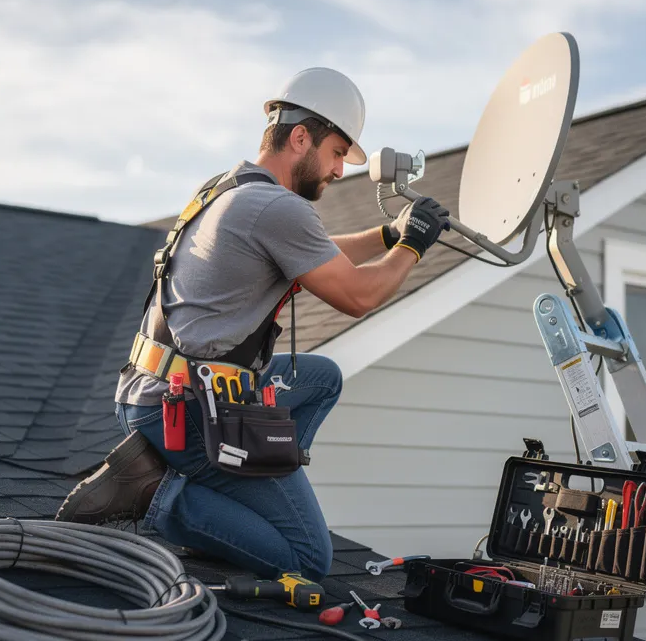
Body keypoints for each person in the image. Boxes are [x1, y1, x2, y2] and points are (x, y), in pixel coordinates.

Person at [54, 67, 450, 582]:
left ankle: (248, 484)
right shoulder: (276, 208)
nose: (337, 172)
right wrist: (413, 247)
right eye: (335, 154)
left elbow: (318, 255)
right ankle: (156, 495)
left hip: (154, 392)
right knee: (309, 558)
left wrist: (387, 233)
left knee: (321, 378)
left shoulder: (230, 189)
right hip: (185, 413)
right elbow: (357, 294)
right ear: (301, 136)